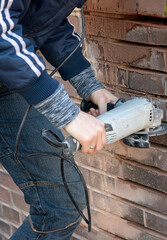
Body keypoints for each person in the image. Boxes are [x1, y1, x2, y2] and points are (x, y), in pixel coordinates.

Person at [0, 0, 117, 239]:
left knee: (61, 203)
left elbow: (43, 19)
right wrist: (68, 116)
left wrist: (89, 85)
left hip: (6, 78)